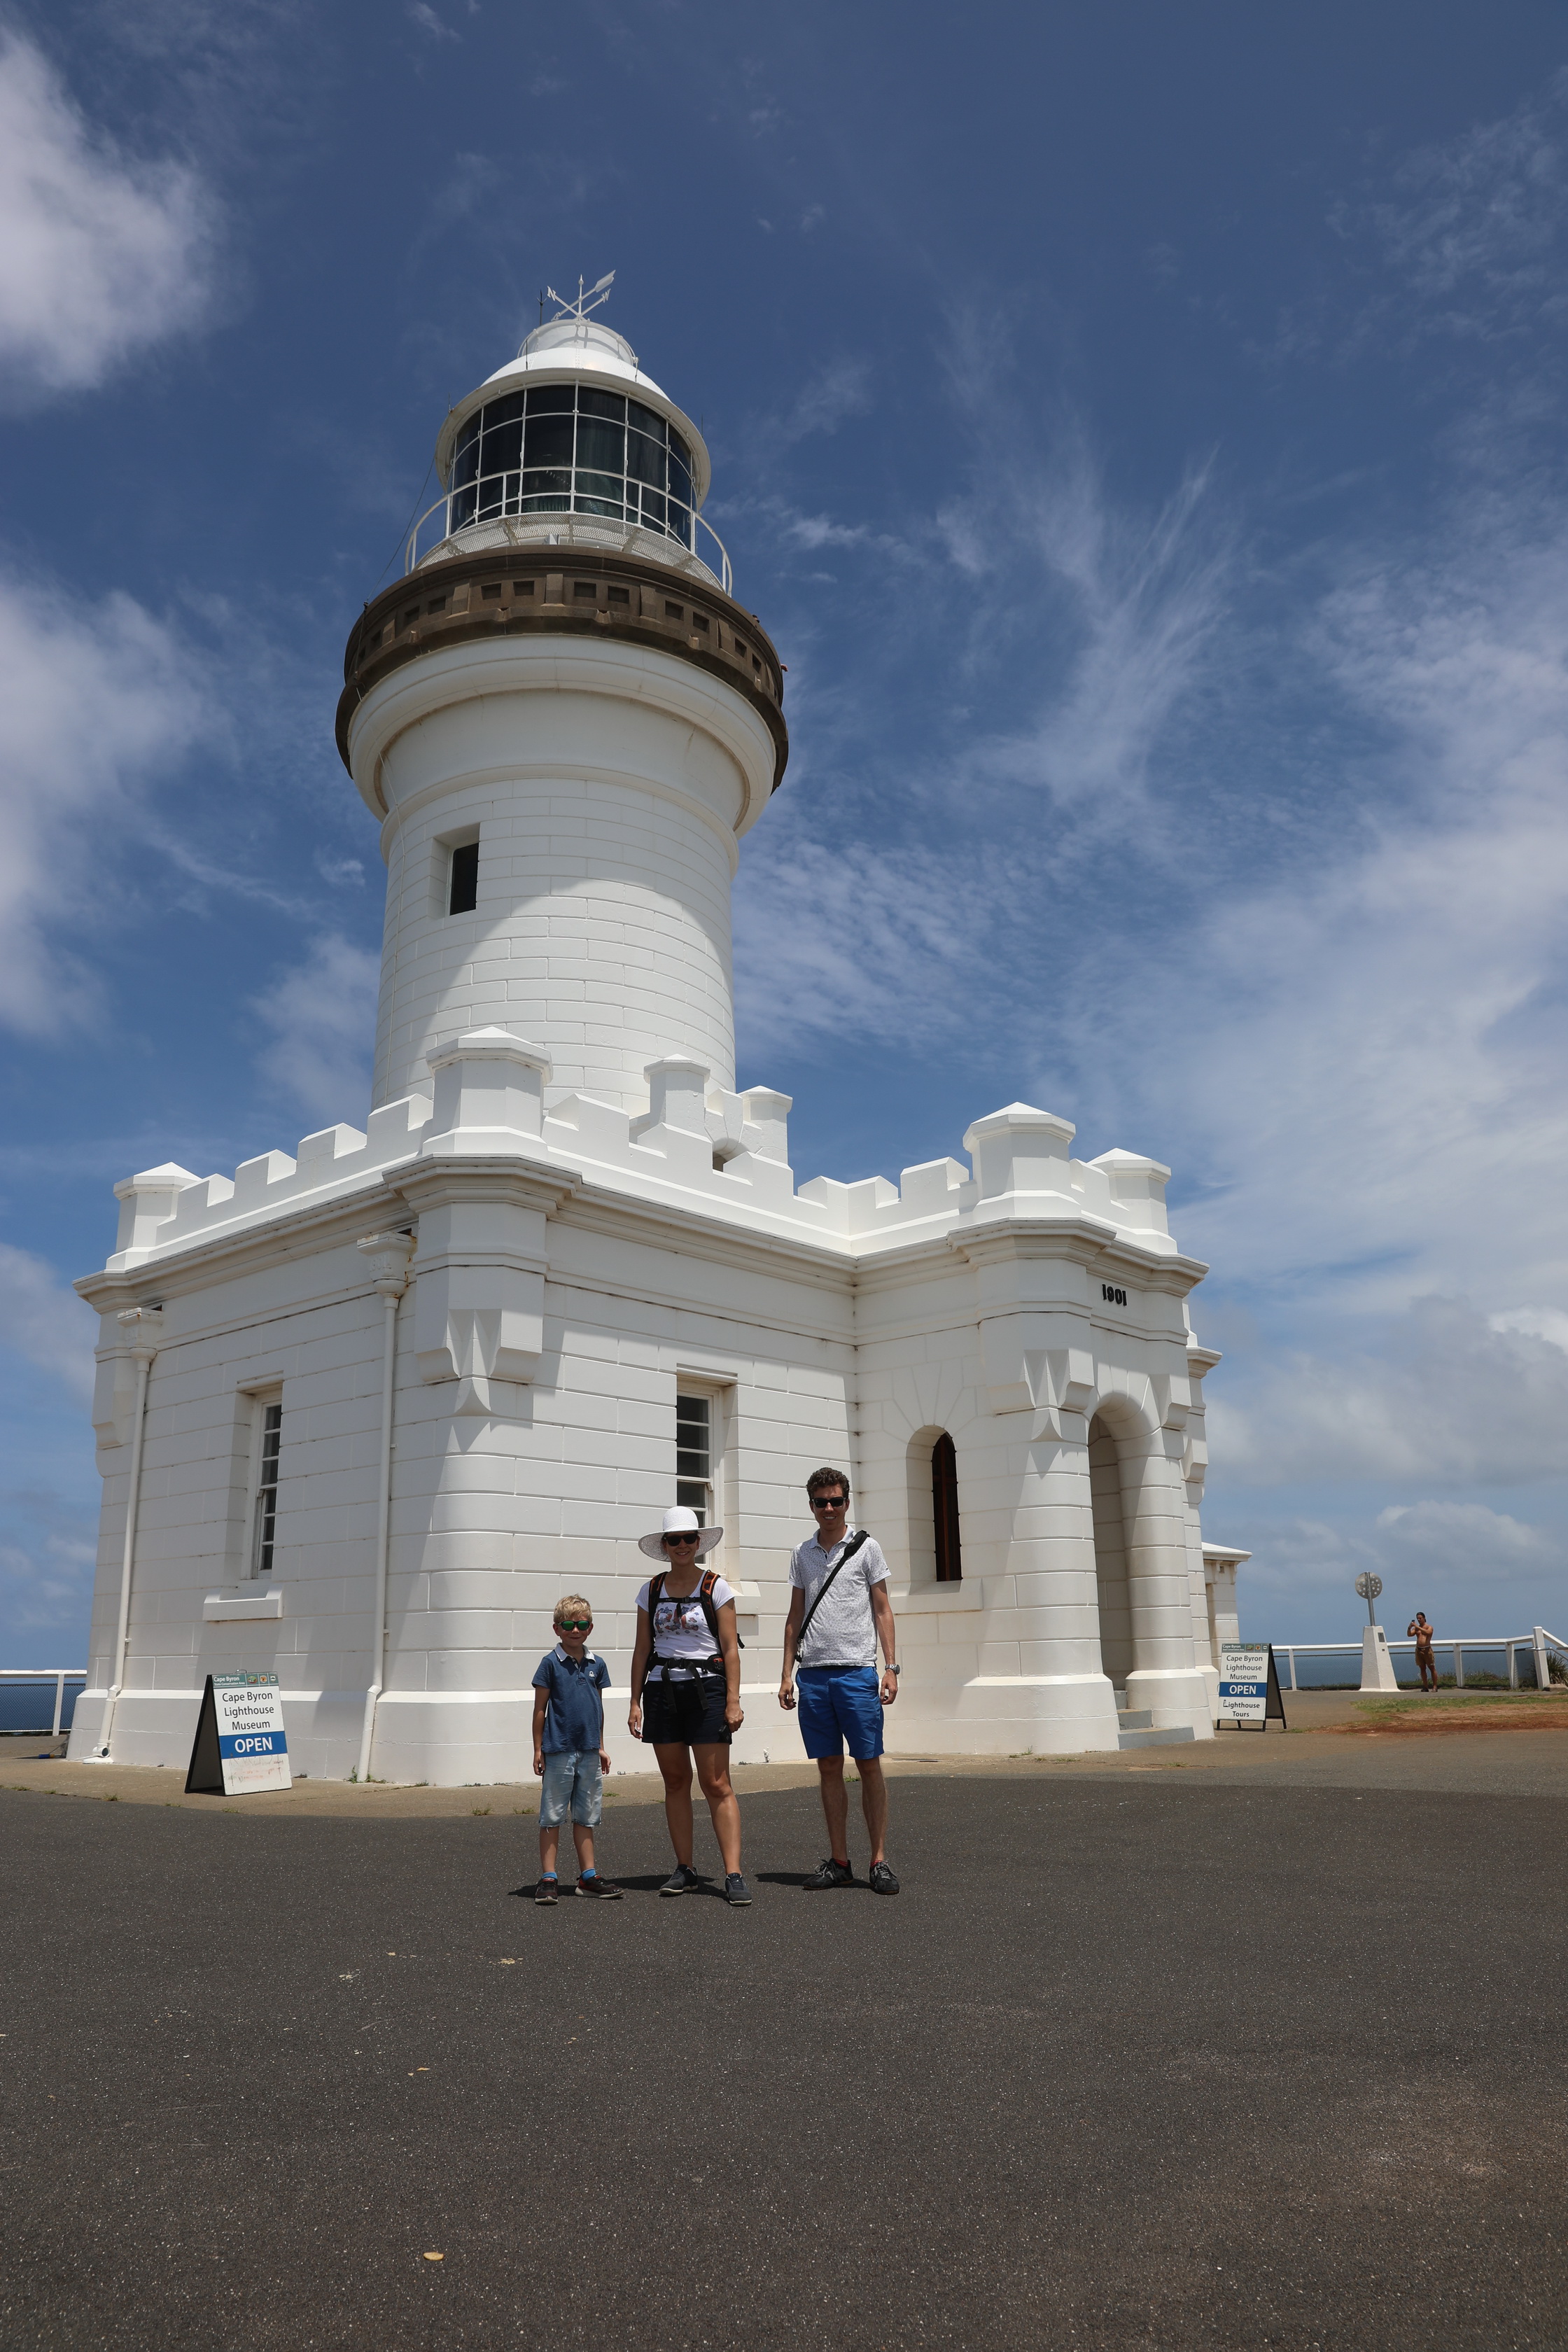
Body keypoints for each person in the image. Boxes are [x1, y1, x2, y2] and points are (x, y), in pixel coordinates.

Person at [778, 1466, 901, 1894]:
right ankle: (840, 1860)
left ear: (847, 1502)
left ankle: (879, 1861)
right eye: (820, 1502)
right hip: (812, 1676)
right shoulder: (802, 1553)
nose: (828, 1509)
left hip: (857, 1673)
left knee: (869, 1765)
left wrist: (891, 1666)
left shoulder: (867, 1549)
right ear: (811, 1506)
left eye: (836, 1501)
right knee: (828, 1768)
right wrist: (786, 1675)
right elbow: (795, 1617)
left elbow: (883, 1609)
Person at [628, 1506, 751, 1907]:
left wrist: (733, 1699)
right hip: (662, 1691)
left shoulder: (717, 1587)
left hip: (708, 1690)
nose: (682, 1546)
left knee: (716, 1783)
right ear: (664, 1546)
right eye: (674, 1540)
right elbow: (642, 1648)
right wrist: (634, 1701)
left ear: (699, 1543)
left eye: (688, 1539)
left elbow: (731, 1648)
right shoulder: (651, 1590)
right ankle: (685, 1867)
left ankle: (732, 1873)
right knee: (676, 1782)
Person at [530, 1595, 620, 1903]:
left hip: (589, 1751)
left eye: (581, 1624)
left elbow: (598, 1709)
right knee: (552, 1816)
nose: (575, 1630)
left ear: (590, 1628)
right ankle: (548, 1877)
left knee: (586, 1816)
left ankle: (588, 1876)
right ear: (557, 1629)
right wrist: (538, 1749)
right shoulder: (550, 1664)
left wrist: (602, 1747)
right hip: (558, 1751)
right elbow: (540, 1710)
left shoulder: (598, 1664)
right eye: (568, 1624)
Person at [1407, 1611, 1437, 1691]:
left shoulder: (1429, 1627)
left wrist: (1418, 1627)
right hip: (1419, 1650)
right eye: (1418, 1618)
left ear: (1424, 1618)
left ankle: (1435, 1686)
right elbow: (1409, 1635)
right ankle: (1425, 1687)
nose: (1419, 1620)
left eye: (1420, 1618)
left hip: (1427, 1650)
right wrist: (1410, 1627)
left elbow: (1428, 1632)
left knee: (1432, 1668)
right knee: (1422, 1668)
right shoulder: (1417, 1628)